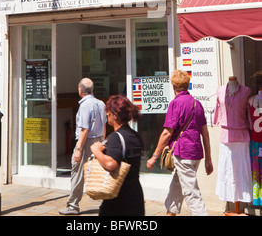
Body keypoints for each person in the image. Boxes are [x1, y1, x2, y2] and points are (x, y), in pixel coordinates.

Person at [147, 70, 213, 216]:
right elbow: (205, 134)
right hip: (195, 153)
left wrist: (154, 156)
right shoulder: (197, 104)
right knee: (177, 185)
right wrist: (208, 159)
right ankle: (170, 213)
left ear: (173, 86)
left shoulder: (175, 104)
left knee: (192, 193)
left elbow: (166, 133)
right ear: (187, 85)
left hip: (183, 153)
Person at [90, 94, 145, 216]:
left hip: (118, 199)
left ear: (114, 115)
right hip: (135, 197)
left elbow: (111, 163)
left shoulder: (116, 137)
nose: (107, 116)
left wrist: (96, 151)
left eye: (108, 113)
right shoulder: (135, 136)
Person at [59, 78, 106, 215]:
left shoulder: (85, 105)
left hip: (86, 142)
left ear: (80, 89)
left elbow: (84, 129)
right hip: (98, 140)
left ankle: (73, 206)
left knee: (78, 173)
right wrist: (102, 142)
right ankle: (107, 203)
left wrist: (78, 149)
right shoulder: (101, 103)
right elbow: (103, 125)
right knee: (97, 173)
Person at [214, 76, 252, 209]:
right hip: (226, 138)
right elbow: (218, 111)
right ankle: (232, 202)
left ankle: (241, 201)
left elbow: (249, 113)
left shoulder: (247, 91)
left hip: (242, 138)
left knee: (240, 170)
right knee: (228, 170)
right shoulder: (220, 90)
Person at [248, 71, 262, 207]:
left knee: (257, 172)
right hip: (257, 141)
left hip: (255, 142)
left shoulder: (251, 100)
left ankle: (257, 199)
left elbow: (250, 123)